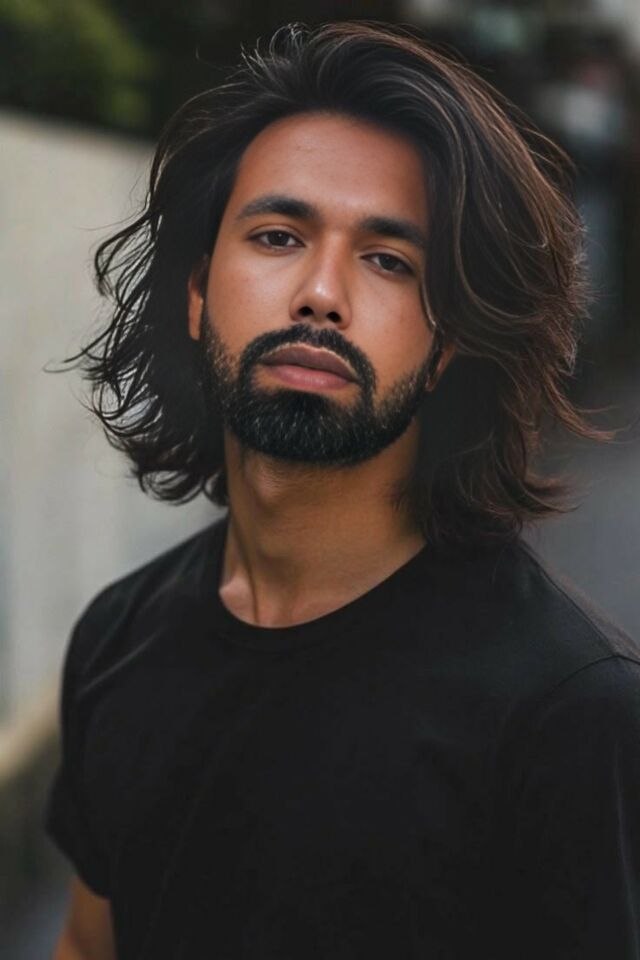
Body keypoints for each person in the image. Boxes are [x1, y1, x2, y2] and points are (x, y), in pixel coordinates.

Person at [46, 20, 640, 960]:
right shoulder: (119, 639)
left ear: (446, 344)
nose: (322, 293)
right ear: (198, 292)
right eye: (278, 236)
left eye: (389, 260)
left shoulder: (568, 712)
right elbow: (89, 945)